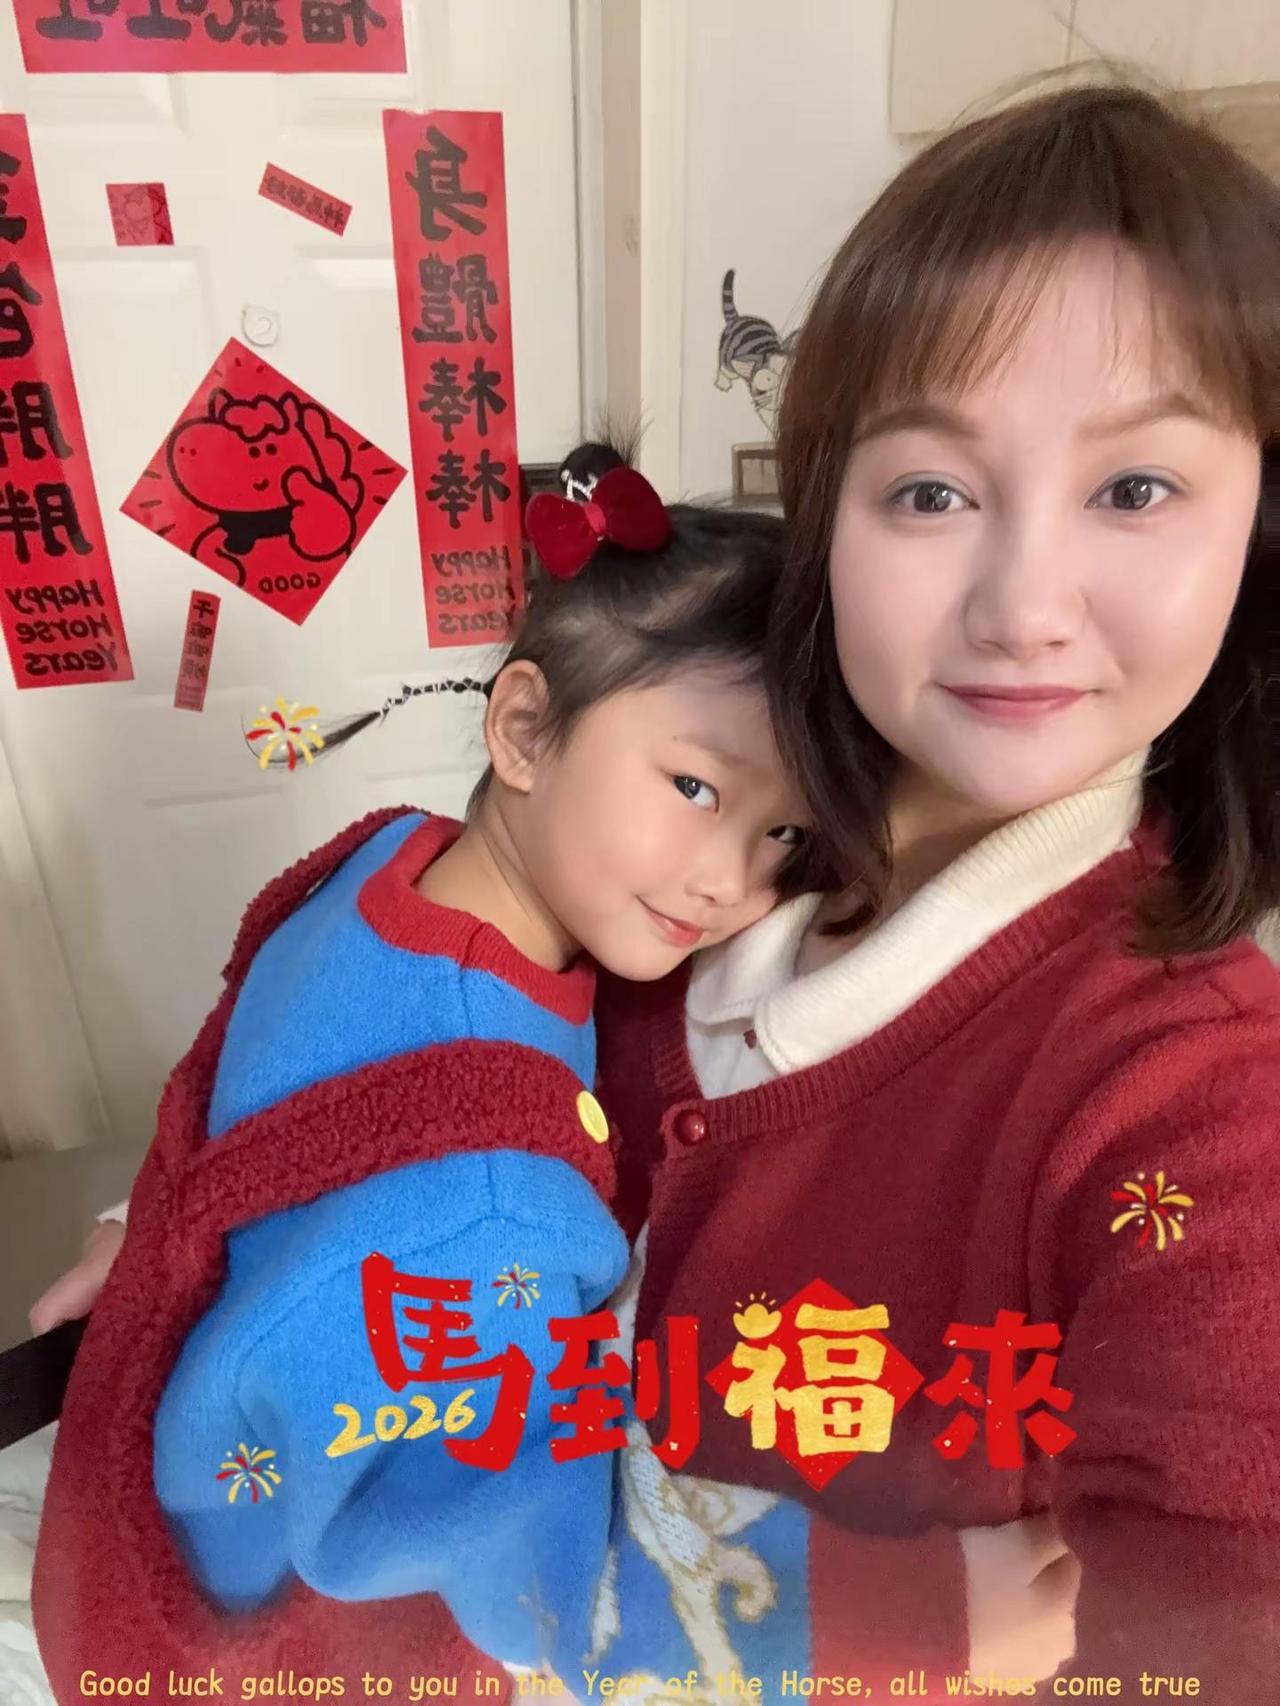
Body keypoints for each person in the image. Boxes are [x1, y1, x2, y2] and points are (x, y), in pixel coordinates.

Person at [594, 81, 1280, 1701]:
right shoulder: (687, 819)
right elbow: (411, 954)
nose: (1024, 606)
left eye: (1136, 489)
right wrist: (186, 1221)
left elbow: (1222, 1596)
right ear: (824, 516)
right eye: (930, 491)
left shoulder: (1201, 1105)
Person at [29, 444, 824, 1698]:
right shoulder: (484, 1189)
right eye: (692, 785)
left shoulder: (391, 862)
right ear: (523, 729)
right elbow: (531, 1562)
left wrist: (148, 1220)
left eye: (781, 831)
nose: (732, 878)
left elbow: (269, 1101)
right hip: (279, 1603)